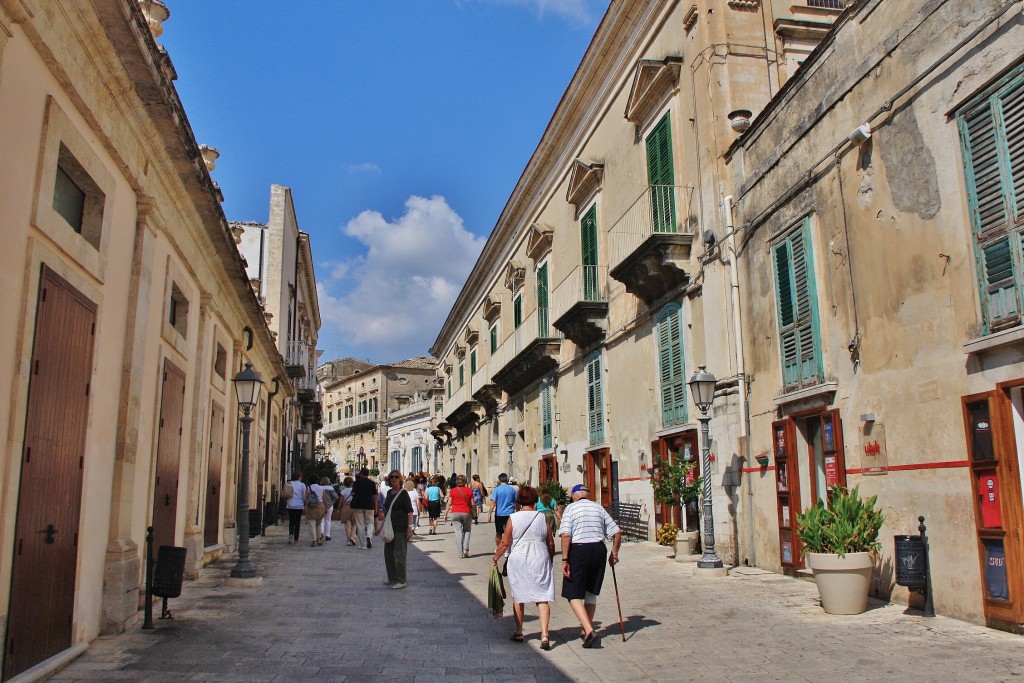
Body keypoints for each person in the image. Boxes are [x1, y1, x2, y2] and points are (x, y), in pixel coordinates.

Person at [558, 484, 622, 648]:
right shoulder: (598, 507)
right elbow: (617, 532)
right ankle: (585, 629)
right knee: (590, 592)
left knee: (572, 592)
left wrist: (565, 560)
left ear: (574, 496)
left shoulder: (570, 509)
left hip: (579, 550)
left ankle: (588, 630)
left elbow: (566, 535)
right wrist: (614, 553)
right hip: (598, 549)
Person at [492, 486, 555, 649]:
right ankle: (545, 635)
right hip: (539, 556)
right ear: (536, 500)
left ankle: (519, 631)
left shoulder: (513, 518)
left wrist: (496, 558)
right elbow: (550, 542)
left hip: (519, 558)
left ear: (519, 501)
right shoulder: (542, 518)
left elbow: (505, 542)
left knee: (518, 595)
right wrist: (550, 558)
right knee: (542, 596)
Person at [378, 470, 414, 589]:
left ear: (400, 479)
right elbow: (387, 511)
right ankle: (392, 577)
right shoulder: (388, 493)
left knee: (399, 553)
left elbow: (410, 511)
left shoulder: (403, 493)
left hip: (400, 527)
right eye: (391, 477)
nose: (393, 479)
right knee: (388, 553)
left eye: (396, 477)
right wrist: (381, 525)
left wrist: (410, 528)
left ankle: (401, 579)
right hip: (390, 527)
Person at [444, 474, 474, 558]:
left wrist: (446, 513)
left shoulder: (453, 491)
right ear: (465, 481)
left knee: (458, 532)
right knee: (467, 530)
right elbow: (472, 503)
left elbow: (449, 503)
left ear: (457, 481)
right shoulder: (469, 490)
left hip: (455, 512)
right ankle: (466, 549)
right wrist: (476, 510)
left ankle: (460, 553)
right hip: (466, 512)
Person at [350, 467, 380, 550]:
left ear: (361, 474)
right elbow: (375, 497)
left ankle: (363, 544)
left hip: (359, 505)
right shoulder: (372, 483)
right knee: (370, 522)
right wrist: (376, 508)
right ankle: (369, 537)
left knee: (360, 524)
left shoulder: (357, 482)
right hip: (369, 505)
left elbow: (353, 493)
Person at [490, 473, 518, 547]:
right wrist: (518, 511)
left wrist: (489, 513)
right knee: (509, 532)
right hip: (510, 514)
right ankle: (508, 548)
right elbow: (516, 502)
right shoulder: (512, 490)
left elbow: (493, 502)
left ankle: (499, 547)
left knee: (499, 533)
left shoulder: (497, 489)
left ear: (499, 480)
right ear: (507, 480)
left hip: (499, 514)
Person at [284, 471, 307, 545]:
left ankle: (290, 533)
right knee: (297, 522)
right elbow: (304, 496)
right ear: (299, 477)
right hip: (299, 506)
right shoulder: (302, 485)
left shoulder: (289, 484)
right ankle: (296, 539)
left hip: (290, 505)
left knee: (291, 521)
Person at [306, 478, 328, 546]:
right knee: (318, 524)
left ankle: (314, 540)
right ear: (317, 480)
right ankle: (319, 539)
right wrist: (326, 507)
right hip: (320, 506)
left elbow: (306, 498)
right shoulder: (321, 488)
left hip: (311, 507)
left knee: (312, 523)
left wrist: (305, 507)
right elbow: (324, 498)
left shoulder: (308, 488)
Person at [339, 476, 357, 546]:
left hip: (346, 507)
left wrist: (339, 509)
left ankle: (348, 540)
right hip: (354, 507)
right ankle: (353, 536)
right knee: (354, 523)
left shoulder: (343, 491)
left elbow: (341, 501)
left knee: (347, 524)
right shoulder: (354, 490)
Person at [318, 477, 337, 542]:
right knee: (328, 520)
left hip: (321, 505)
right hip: (330, 506)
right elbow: (336, 496)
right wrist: (332, 501)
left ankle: (321, 533)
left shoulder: (320, 488)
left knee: (321, 520)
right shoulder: (331, 488)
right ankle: (328, 535)